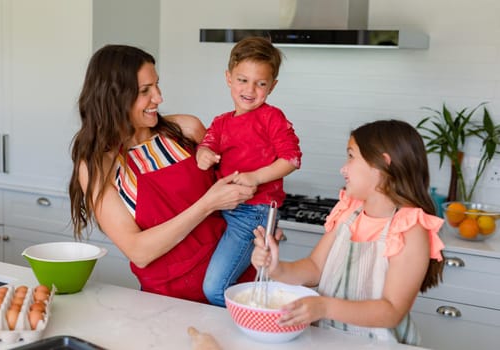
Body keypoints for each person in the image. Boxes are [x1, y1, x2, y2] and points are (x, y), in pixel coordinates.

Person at [68, 44, 257, 303]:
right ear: (114, 97)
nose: (158, 97)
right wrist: (207, 204)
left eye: (156, 85)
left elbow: (237, 192)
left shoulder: (186, 130)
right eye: (145, 91)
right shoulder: (98, 166)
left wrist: (261, 228)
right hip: (170, 303)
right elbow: (138, 251)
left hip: (238, 282)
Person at [251, 119, 445, 345]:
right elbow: (314, 268)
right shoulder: (349, 210)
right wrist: (276, 267)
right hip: (329, 340)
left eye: (351, 156)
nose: (343, 168)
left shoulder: (409, 227)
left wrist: (324, 307)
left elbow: (392, 311)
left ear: (382, 164)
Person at [197, 37, 302, 306]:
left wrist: (255, 177)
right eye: (243, 80)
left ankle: (253, 327)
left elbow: (291, 159)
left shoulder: (272, 117)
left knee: (214, 288)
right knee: (235, 278)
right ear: (228, 78)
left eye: (261, 83)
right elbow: (207, 145)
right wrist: (204, 154)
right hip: (223, 207)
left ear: (273, 86)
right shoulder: (221, 122)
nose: (250, 89)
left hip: (253, 212)